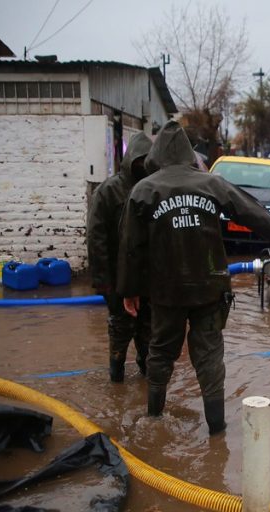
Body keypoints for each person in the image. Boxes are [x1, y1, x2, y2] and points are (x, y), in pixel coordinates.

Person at [117, 120, 270, 434]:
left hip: (165, 292)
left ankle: (153, 420)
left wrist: (129, 289)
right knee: (209, 357)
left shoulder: (143, 190)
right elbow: (252, 212)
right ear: (188, 154)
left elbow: (130, 247)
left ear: (157, 155)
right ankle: (216, 432)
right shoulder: (212, 184)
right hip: (209, 288)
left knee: (161, 352)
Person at [87, 132, 153, 383]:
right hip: (116, 280)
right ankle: (117, 378)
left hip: (148, 281)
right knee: (120, 330)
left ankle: (148, 382)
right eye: (140, 160)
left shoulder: (153, 188)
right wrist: (104, 282)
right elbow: (96, 239)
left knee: (148, 334)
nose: (143, 166)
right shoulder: (108, 191)